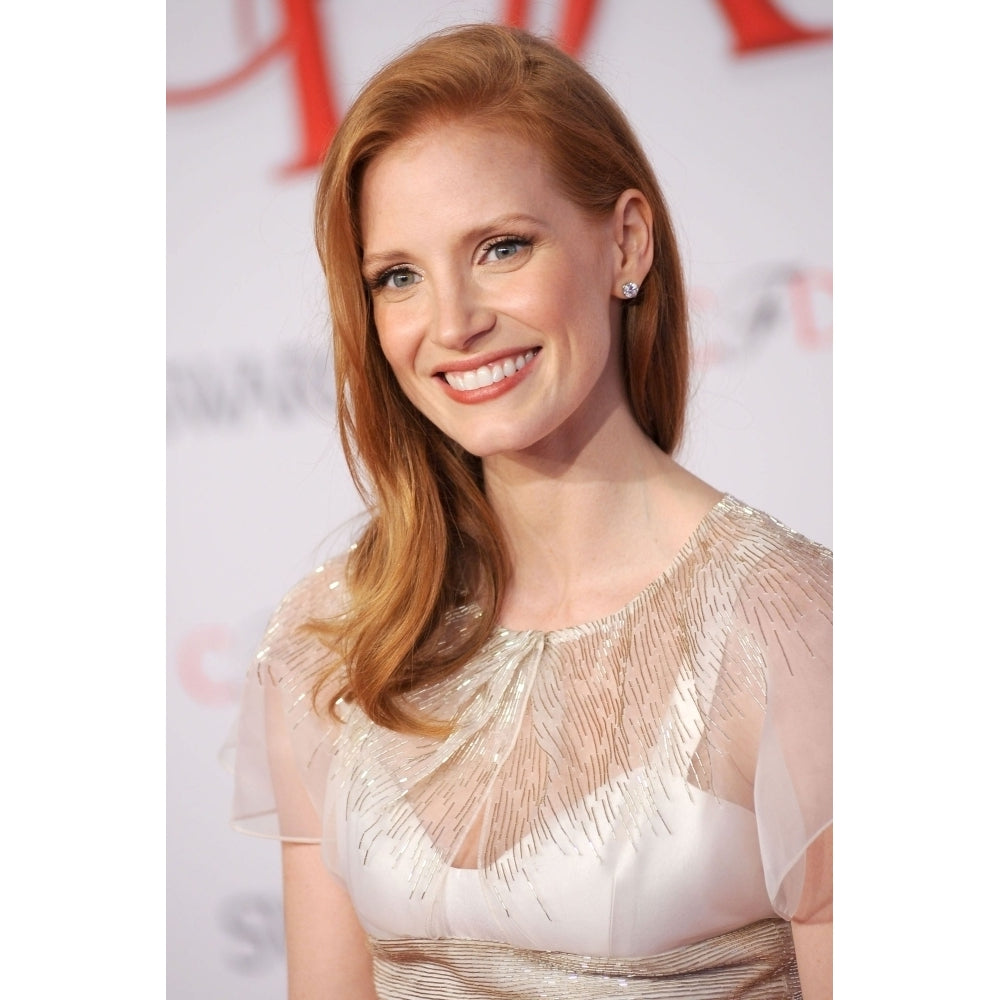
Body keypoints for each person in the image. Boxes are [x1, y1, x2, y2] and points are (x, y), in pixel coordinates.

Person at [231, 22, 832, 1000]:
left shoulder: (792, 631)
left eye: (501, 247)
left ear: (624, 241)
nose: (454, 322)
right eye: (399, 276)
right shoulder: (335, 639)